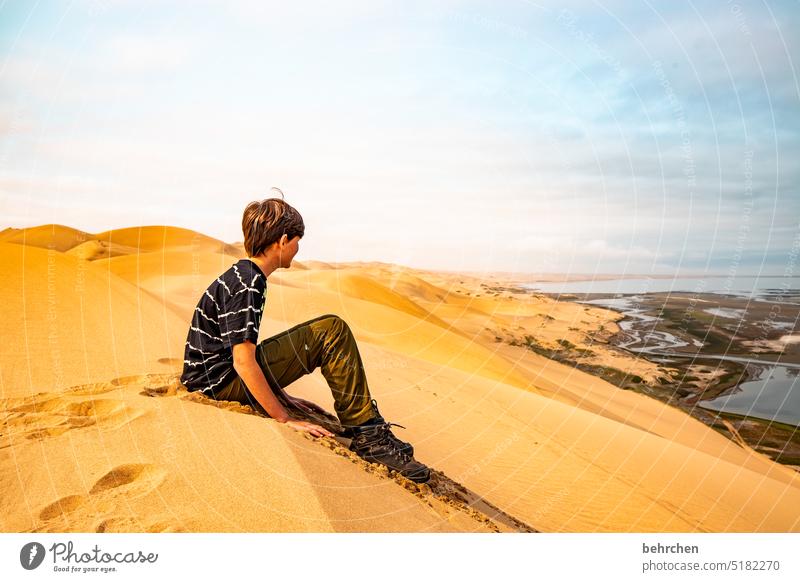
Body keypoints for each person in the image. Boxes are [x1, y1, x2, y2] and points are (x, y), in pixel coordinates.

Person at [179, 194, 430, 483]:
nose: (298, 249)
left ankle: (367, 427)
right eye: (297, 241)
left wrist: (280, 394)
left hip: (214, 377)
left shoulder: (242, 274)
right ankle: (368, 434)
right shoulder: (249, 283)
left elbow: (237, 351)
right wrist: (284, 418)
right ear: (283, 240)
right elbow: (243, 361)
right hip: (217, 385)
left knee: (327, 328)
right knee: (331, 331)